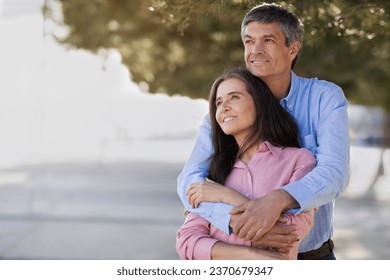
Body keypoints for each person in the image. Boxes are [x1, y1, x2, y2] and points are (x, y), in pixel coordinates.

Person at [177, 3, 350, 260]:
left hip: (312, 257)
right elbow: (190, 181)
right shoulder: (229, 109)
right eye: (249, 41)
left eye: (268, 40)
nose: (255, 50)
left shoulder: (324, 98)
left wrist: (278, 200)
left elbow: (334, 174)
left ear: (293, 48)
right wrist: (236, 222)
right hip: (237, 256)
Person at [176, 67, 316, 260]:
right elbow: (187, 242)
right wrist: (250, 254)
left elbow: (289, 233)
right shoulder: (212, 170)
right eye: (218, 102)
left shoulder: (299, 161)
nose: (224, 107)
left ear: (259, 103)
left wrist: (227, 196)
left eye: (234, 97)